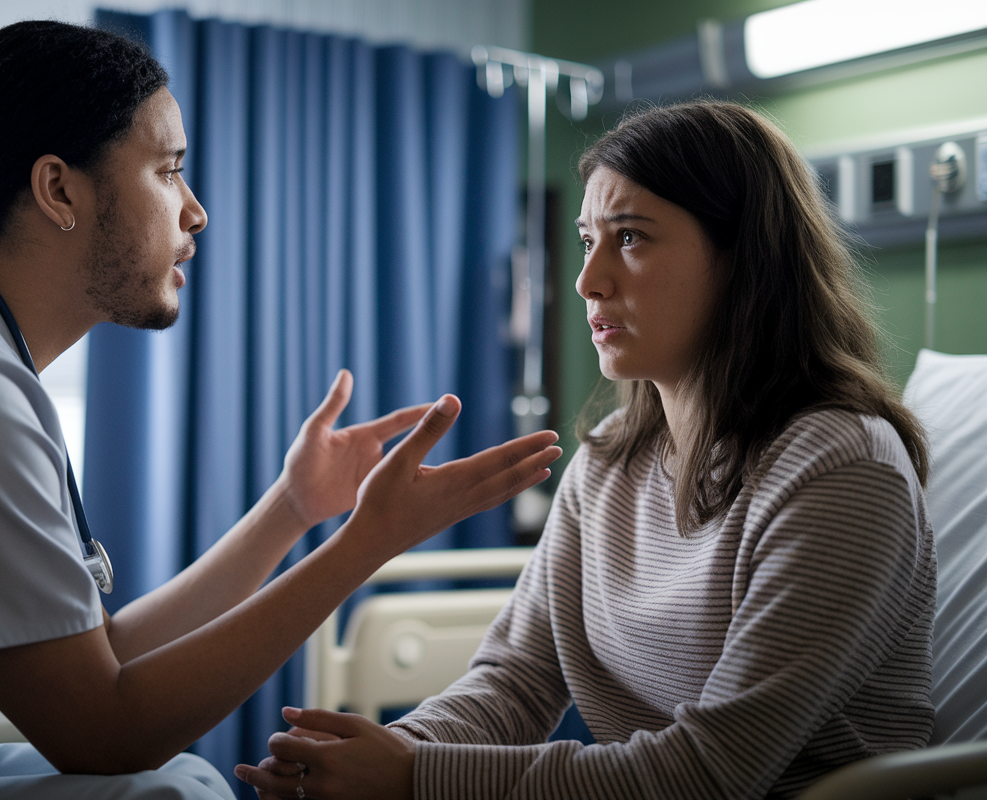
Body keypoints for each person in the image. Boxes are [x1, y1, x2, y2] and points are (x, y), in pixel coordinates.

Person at [0, 20, 562, 800]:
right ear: (59, 190)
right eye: (168, 169)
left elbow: (102, 658)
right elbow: (106, 731)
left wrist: (292, 511)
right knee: (169, 793)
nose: (196, 212)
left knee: (179, 779)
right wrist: (364, 545)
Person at [236, 99, 937, 800]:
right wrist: (386, 750)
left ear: (743, 258)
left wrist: (414, 776)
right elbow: (515, 682)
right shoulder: (609, 463)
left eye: (630, 237)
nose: (587, 281)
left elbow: (708, 774)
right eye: (586, 240)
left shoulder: (844, 469)